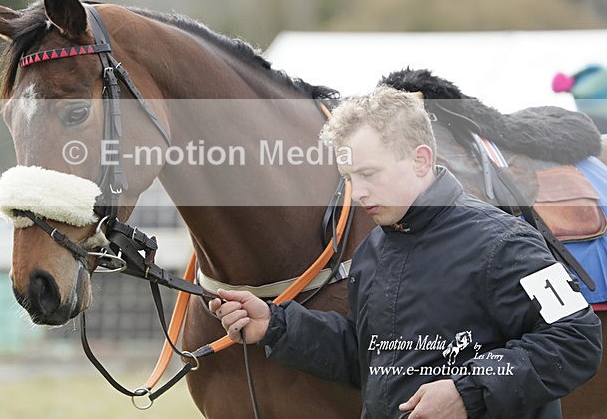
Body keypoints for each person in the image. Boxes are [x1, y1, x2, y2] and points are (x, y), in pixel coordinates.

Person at [210, 86, 602, 418]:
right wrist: (276, 325)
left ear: (420, 160)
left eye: (369, 173)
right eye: (349, 178)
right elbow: (372, 358)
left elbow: (577, 339)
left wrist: (468, 392)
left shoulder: (506, 243)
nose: (358, 192)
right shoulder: (371, 253)